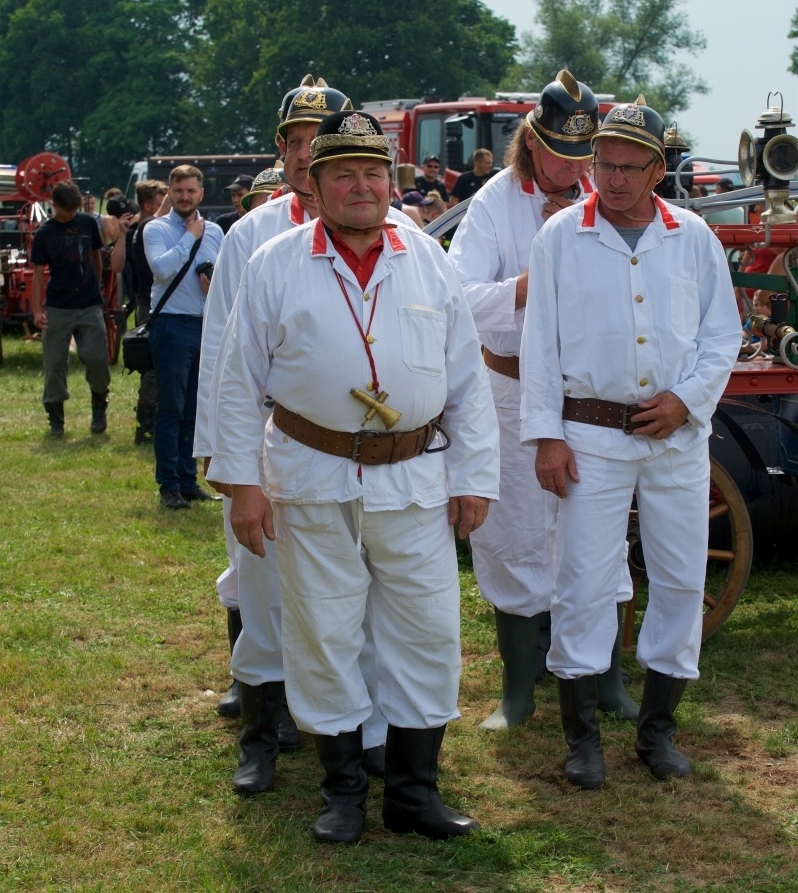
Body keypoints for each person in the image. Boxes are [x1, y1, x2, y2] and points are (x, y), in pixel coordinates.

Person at [208, 111, 500, 845]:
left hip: (415, 480)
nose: (361, 187)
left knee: (428, 631)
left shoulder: (430, 258)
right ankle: (341, 792)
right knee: (324, 630)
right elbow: (239, 380)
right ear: (315, 183)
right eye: (343, 173)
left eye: (374, 173)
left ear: (392, 182)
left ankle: (413, 791)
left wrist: (476, 476)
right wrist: (242, 482)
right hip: (312, 476)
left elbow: (467, 378)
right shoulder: (275, 261)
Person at [196, 79, 418, 776]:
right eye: (294, 142)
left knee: (364, 599)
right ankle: (262, 735)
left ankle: (370, 737)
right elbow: (221, 356)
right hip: (269, 443)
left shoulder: (397, 232)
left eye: (315, 141)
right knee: (260, 593)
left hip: (365, 451)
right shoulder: (253, 236)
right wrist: (229, 463)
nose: (301, 154)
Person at [519, 96, 742, 788]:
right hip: (590, 435)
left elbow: (721, 334)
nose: (612, 179)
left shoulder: (694, 236)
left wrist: (685, 400)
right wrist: (545, 436)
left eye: (628, 167)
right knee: (583, 581)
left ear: (658, 168)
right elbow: (538, 344)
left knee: (680, 578)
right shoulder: (561, 236)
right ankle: (582, 739)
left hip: (675, 439)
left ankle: (658, 731)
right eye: (603, 164)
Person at [450, 70, 637, 732]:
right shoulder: (494, 204)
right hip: (510, 388)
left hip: (589, 398)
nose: (574, 169)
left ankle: (605, 681)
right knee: (516, 531)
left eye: (584, 156)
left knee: (600, 533)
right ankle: (519, 689)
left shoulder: (608, 200)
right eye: (561, 152)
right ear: (530, 141)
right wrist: (534, 278)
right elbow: (460, 298)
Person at [143, 165, 223, 510]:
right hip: (171, 326)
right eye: (179, 191)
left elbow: (224, 278)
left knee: (194, 409)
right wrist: (190, 236)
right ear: (169, 195)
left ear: (200, 194)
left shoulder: (217, 231)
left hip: (204, 325)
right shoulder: (156, 229)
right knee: (171, 408)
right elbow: (161, 268)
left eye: (191, 191)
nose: (185, 197)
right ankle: (169, 484)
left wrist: (212, 282)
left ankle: (189, 481)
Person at [31, 180, 112, 437]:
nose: (71, 214)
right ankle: (56, 418)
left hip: (88, 303)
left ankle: (99, 407)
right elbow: (36, 274)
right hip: (58, 306)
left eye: (75, 209)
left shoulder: (88, 223)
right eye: (67, 211)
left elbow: (96, 256)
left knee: (97, 357)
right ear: (54, 206)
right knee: (55, 363)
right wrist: (36, 311)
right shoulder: (44, 233)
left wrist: (97, 288)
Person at [109, 180, 169, 442]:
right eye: (161, 202)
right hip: (151, 308)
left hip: (146, 305)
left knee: (154, 369)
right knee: (154, 369)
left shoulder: (141, 230)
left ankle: (151, 422)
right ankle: (146, 425)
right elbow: (121, 267)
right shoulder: (145, 230)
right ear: (149, 205)